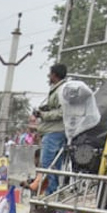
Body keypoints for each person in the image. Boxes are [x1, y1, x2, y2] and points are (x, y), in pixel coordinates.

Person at [35, 63, 69, 194]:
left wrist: (43, 115)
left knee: (47, 163)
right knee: (55, 164)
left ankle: (50, 192)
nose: (48, 76)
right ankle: (53, 191)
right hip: (56, 130)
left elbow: (62, 112)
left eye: (50, 74)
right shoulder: (58, 89)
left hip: (54, 131)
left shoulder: (61, 90)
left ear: (54, 75)